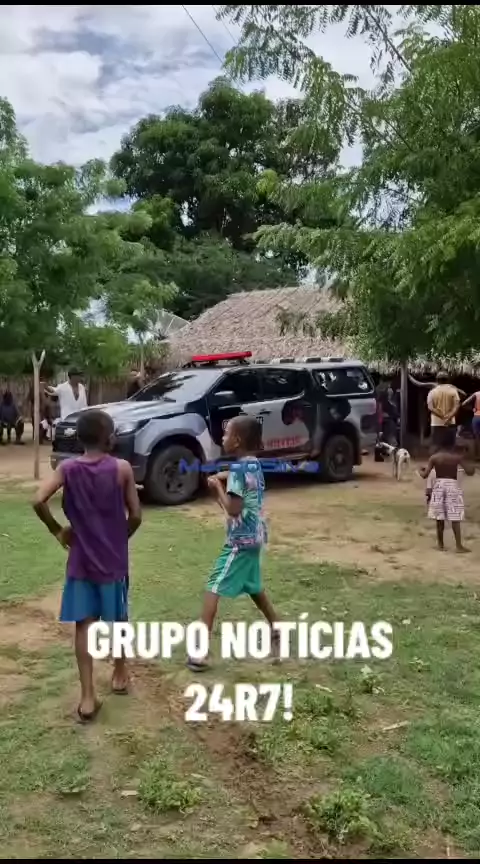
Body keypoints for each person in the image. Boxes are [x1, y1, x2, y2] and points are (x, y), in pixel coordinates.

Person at [32, 409, 142, 722]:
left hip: (80, 561)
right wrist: (120, 537)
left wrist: (57, 530)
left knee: (84, 625)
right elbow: (135, 515)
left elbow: (38, 500)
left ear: (79, 439)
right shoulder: (121, 469)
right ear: (110, 438)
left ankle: (87, 697)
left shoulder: (67, 468)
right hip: (113, 561)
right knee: (118, 619)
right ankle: (119, 673)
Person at [186, 415, 280, 672]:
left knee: (213, 586)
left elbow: (232, 509)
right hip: (255, 536)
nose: (223, 437)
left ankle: (200, 651)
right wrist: (222, 476)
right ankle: (277, 627)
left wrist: (217, 488)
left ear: (237, 441)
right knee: (253, 585)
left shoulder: (239, 471)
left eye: (226, 433)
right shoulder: (252, 464)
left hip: (240, 540)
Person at [419, 443, 474, 553]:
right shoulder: (456, 457)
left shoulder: (434, 457)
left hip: (439, 486)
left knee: (439, 517)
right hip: (452, 486)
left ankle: (440, 545)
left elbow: (425, 475)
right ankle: (459, 546)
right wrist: (472, 466)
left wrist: (420, 470)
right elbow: (470, 472)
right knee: (455, 517)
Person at [427, 372, 460, 450]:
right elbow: (457, 405)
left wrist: (442, 416)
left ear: (437, 380)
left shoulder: (432, 392)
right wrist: (449, 416)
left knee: (436, 446)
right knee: (450, 448)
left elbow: (430, 407)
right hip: (450, 423)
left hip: (436, 423)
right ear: (447, 380)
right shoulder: (453, 391)